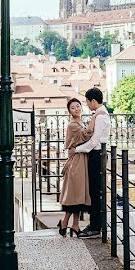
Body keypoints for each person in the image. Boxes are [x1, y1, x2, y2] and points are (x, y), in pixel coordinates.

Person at [68, 87, 109, 238]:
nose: (86, 104)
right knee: (95, 192)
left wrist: (76, 150)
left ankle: (95, 227)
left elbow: (93, 142)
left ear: (92, 101)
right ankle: (95, 225)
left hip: (97, 155)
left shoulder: (100, 116)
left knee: (95, 192)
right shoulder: (99, 114)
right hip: (97, 154)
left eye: (86, 101)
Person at [57, 98, 92, 237]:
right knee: (75, 195)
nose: (76, 109)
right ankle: (67, 223)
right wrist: (95, 118)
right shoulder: (73, 125)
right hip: (76, 162)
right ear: (69, 111)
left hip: (80, 159)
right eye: (73, 107)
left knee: (78, 195)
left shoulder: (79, 122)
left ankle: (73, 224)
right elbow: (86, 134)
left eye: (78, 106)